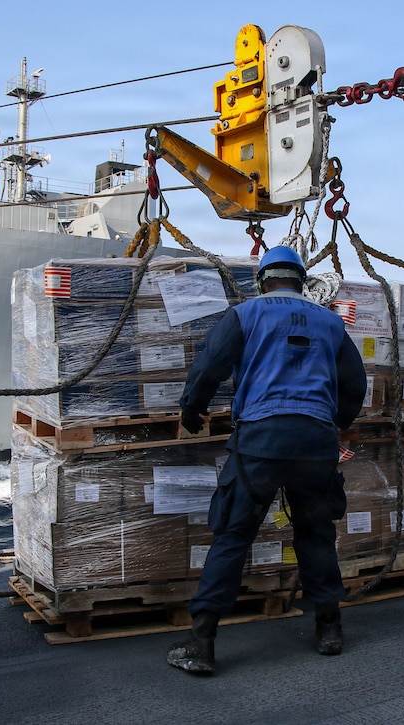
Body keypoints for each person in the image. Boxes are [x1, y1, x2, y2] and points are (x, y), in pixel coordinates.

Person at [167, 246, 367, 675]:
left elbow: (210, 365)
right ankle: (329, 629)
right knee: (315, 534)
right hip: (315, 444)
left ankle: (201, 644)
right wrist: (338, 422)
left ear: (261, 280)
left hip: (260, 440)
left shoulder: (246, 314)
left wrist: (191, 410)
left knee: (232, 536)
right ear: (301, 281)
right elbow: (355, 383)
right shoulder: (331, 322)